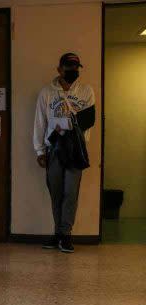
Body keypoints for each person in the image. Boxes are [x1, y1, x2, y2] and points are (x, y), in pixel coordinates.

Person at [33, 53, 95, 253]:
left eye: (76, 67)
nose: (73, 71)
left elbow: (88, 122)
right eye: (68, 67)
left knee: (70, 193)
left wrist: (66, 128)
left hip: (75, 149)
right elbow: (40, 122)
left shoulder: (86, 91)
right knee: (56, 193)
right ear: (59, 69)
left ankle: (66, 234)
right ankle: (57, 233)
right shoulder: (46, 93)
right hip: (53, 149)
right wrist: (39, 150)